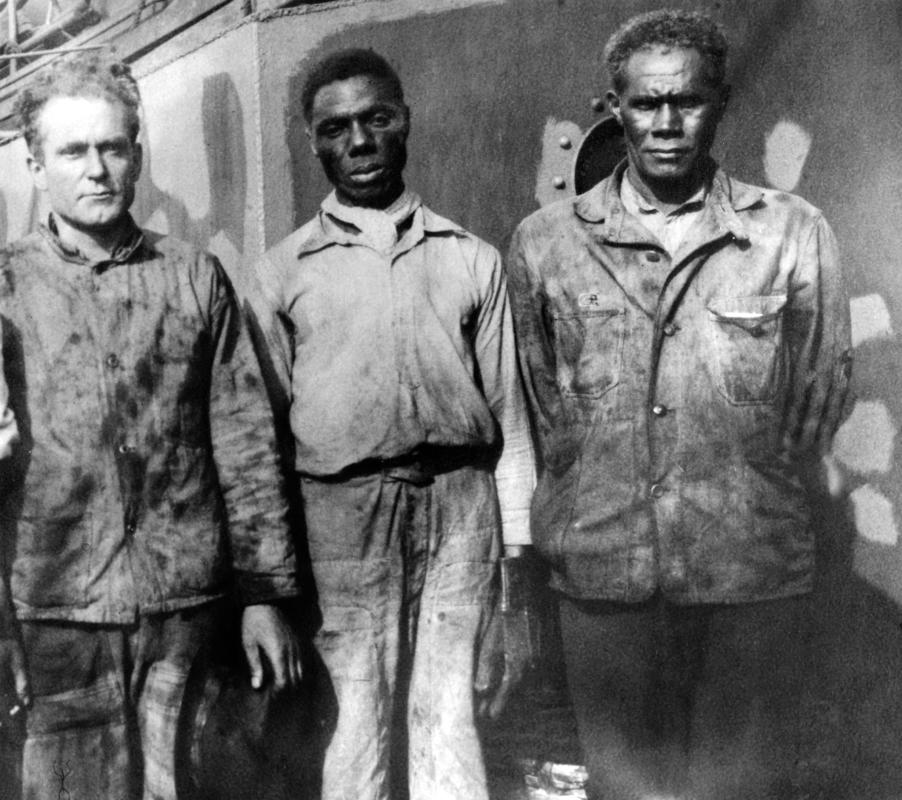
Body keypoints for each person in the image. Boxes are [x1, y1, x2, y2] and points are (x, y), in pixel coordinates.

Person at [505, 9, 852, 800]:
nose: (665, 123)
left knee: (739, 790)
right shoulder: (545, 242)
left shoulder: (792, 234)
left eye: (687, 102)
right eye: (645, 103)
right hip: (603, 575)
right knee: (628, 792)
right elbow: (543, 405)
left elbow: (814, 407)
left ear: (720, 103)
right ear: (615, 107)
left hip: (749, 575)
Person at [0, 54, 302, 800]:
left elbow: (246, 441)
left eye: (114, 147)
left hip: (186, 610)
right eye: (73, 151)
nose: (98, 169)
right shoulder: (5, 290)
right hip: (55, 616)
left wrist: (264, 595)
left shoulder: (195, 277)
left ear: (137, 153)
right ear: (35, 165)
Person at [250, 48, 535, 800]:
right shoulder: (284, 272)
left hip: (460, 511)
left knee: (452, 724)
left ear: (405, 122)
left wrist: (517, 574)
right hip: (340, 523)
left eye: (377, 119)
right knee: (355, 733)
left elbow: (508, 420)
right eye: (336, 127)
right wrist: (274, 581)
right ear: (314, 142)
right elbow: (266, 441)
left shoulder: (471, 258)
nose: (360, 140)